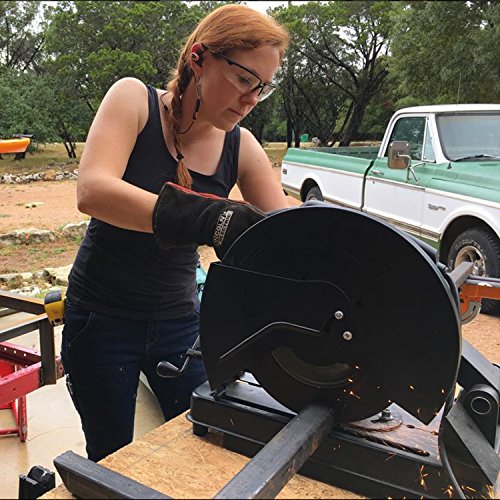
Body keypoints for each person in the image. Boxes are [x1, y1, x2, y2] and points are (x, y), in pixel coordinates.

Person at [61, 4, 290, 462]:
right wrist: (212, 218)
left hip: (181, 322)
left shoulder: (240, 146)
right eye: (244, 79)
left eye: (262, 89)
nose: (250, 99)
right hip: (101, 319)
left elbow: (286, 236)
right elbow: (94, 191)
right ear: (199, 58)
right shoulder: (133, 101)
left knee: (204, 443)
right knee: (110, 456)